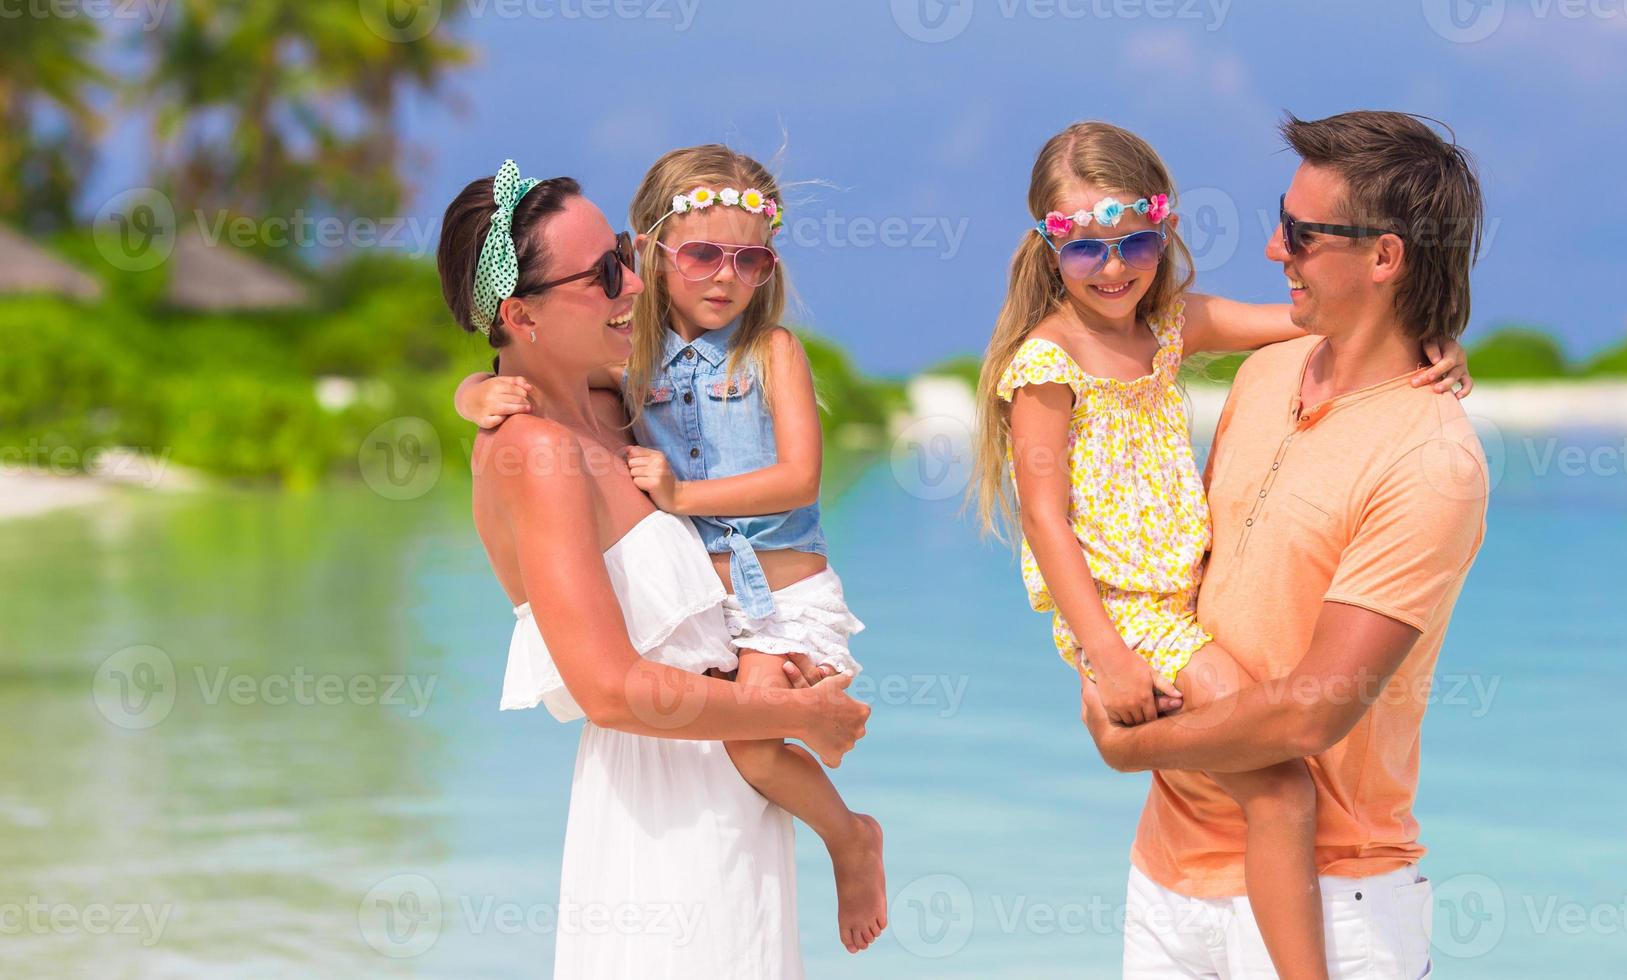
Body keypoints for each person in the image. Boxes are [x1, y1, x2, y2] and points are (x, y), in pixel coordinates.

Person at [969, 121, 1473, 979]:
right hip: (1135, 649)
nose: (1114, 267)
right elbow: (1044, 517)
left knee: (1280, 783)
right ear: (1047, 244)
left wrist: (1428, 335)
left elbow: (1294, 322)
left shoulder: (1423, 456)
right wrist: (1105, 652)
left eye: (1136, 241)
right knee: (1279, 786)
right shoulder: (1055, 363)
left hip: (1343, 893)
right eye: (1084, 248)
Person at [437, 160, 869, 978]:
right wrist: (800, 721)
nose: (636, 285)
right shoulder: (535, 453)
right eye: (605, 271)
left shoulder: (610, 406)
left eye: (625, 259)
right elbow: (608, 689)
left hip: (734, 797)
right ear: (520, 313)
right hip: (660, 822)